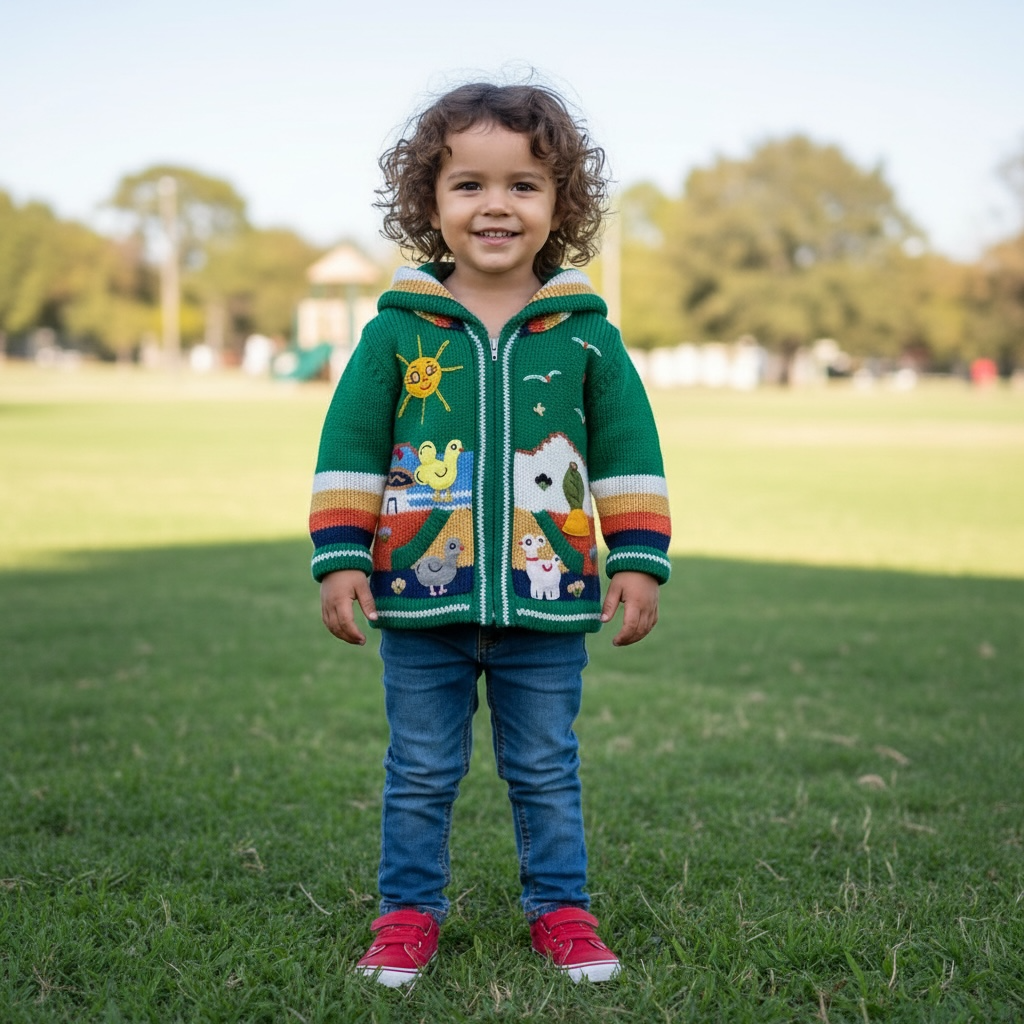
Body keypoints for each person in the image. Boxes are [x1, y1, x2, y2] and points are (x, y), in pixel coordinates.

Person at [309, 80, 671, 987]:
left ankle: (561, 911)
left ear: (560, 204)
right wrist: (341, 556)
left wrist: (638, 560)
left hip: (546, 608)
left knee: (546, 767)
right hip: (421, 600)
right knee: (422, 770)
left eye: (524, 185)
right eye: (469, 184)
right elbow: (350, 446)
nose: (496, 205)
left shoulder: (586, 335)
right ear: (430, 203)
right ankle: (405, 916)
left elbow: (629, 452)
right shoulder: (397, 330)